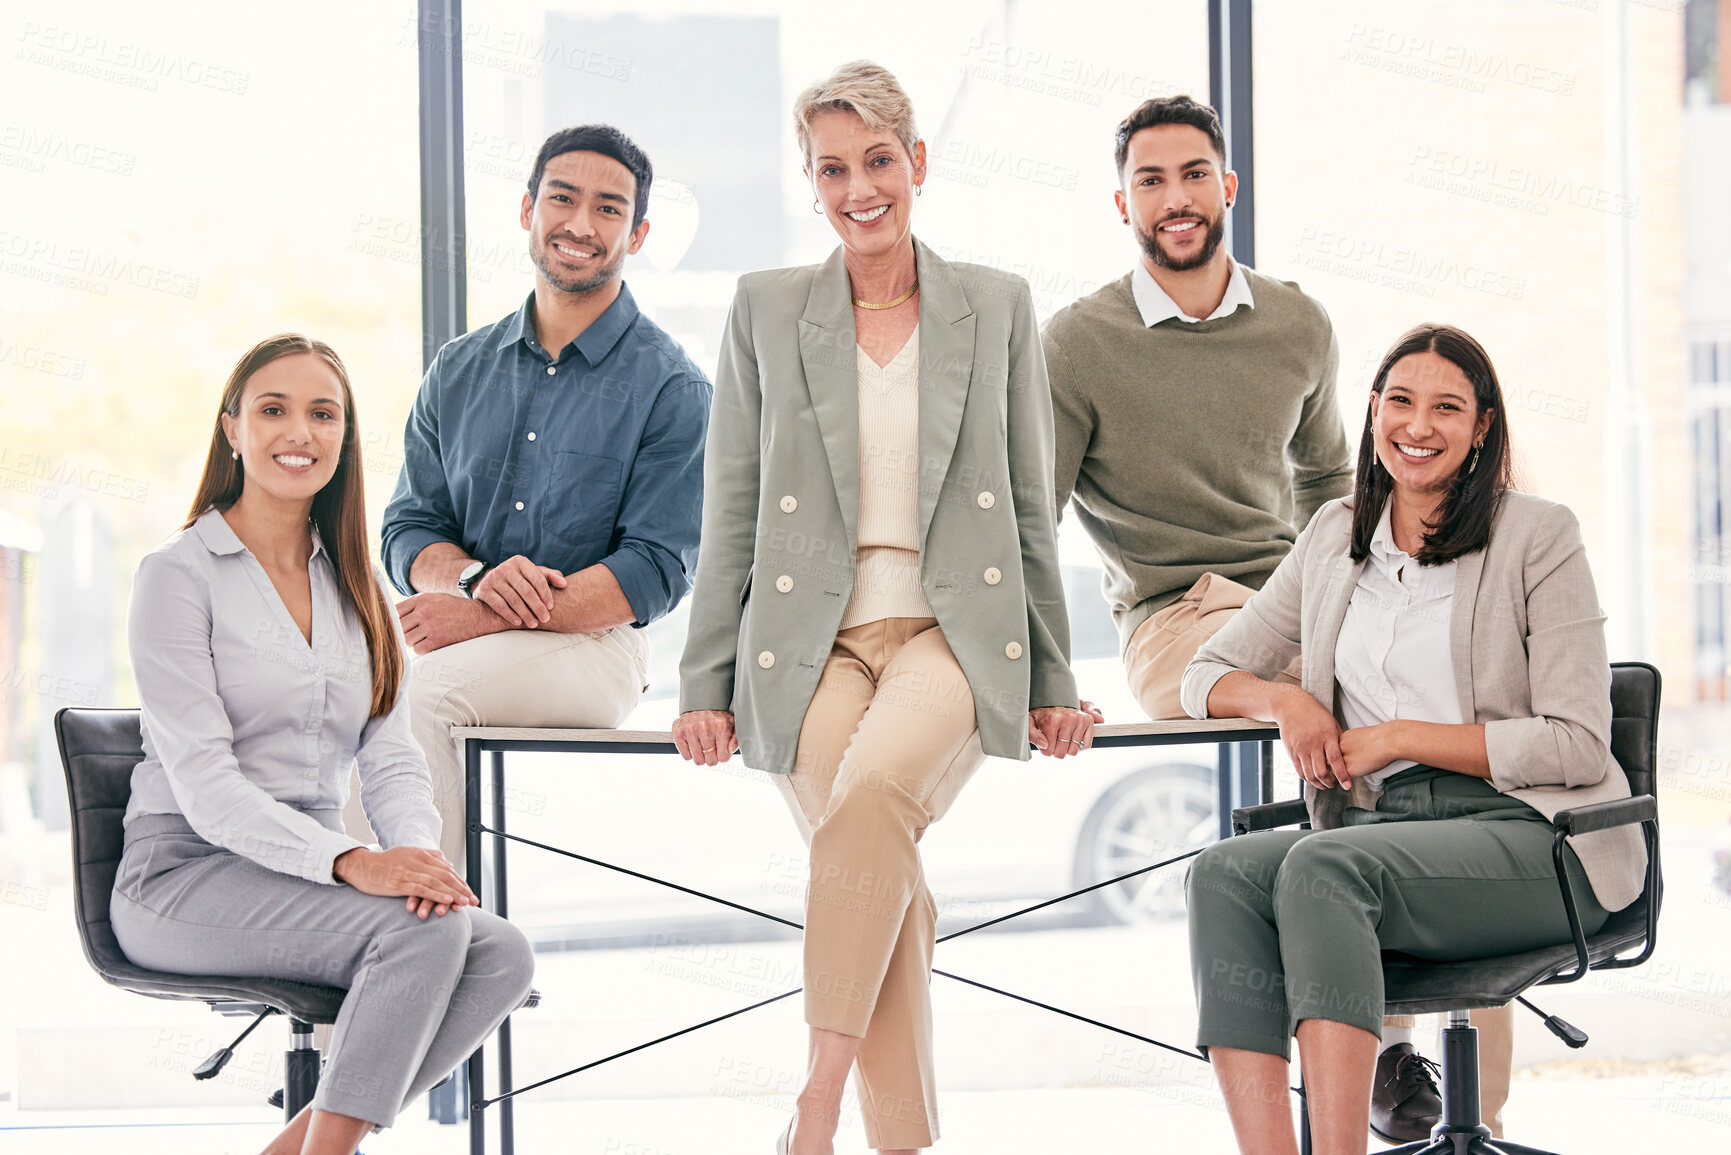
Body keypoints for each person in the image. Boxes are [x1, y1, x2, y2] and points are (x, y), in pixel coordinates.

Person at [1042, 94, 1508, 1139]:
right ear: (1123, 202)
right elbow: (1036, 512)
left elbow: (1326, 494)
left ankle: (1386, 1040)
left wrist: (1375, 600)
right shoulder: (1076, 341)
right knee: (1315, 723)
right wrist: (1039, 670)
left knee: (1391, 742)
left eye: (1194, 174)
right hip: (1176, 616)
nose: (1177, 198)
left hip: (1298, 591)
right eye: (1153, 180)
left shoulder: (1298, 323)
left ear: (1228, 187)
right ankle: (1374, 1051)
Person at [674, 61, 1097, 1155]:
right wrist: (702, 682)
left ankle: (816, 1102)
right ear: (808, 181)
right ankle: (901, 1145)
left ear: (916, 164)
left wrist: (1054, 678)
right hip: (804, 641)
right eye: (831, 169)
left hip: (953, 633)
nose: (858, 188)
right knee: (874, 873)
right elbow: (730, 504)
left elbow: (1030, 505)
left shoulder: (994, 303)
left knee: (865, 813)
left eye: (877, 161)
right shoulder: (766, 308)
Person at [1180, 324, 1648, 1155]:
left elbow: (1578, 742)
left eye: (1446, 406)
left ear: (1482, 427)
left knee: (1324, 864)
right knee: (1221, 872)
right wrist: (1285, 699)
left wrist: (1401, 735)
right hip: (1382, 828)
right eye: (1399, 400)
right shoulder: (1333, 536)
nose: (1417, 424)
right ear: (1371, 412)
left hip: (1535, 837)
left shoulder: (1537, 535)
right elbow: (1205, 671)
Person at [112, 335, 535, 1155]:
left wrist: (413, 857)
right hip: (183, 874)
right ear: (231, 428)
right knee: (427, 934)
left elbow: (392, 755)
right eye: (272, 409)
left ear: (343, 439)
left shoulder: (357, 583)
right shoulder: (177, 573)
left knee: (500, 953)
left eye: (322, 413)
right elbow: (207, 786)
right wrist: (355, 863)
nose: (297, 430)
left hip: (304, 875)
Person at [363, 124, 711, 871]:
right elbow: (407, 528)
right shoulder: (458, 368)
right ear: (527, 210)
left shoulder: (673, 388)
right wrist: (471, 578)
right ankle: (338, 931)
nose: (581, 225)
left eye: (608, 208)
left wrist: (480, 610)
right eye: (562, 198)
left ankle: (429, 941)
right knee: (340, 694)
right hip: (466, 634)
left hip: (596, 648)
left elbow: (652, 571)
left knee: (422, 700)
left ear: (637, 232)